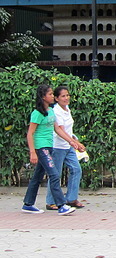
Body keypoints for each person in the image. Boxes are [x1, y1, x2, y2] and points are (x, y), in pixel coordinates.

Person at [22, 84, 79, 215]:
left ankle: (28, 204)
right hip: (41, 148)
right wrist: (32, 152)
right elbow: (30, 133)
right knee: (54, 175)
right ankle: (61, 205)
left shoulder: (51, 111)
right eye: (50, 94)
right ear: (43, 97)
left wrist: (71, 141)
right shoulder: (37, 113)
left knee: (37, 177)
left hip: (49, 146)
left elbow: (58, 129)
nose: (53, 96)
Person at [45, 86, 86, 210]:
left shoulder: (67, 109)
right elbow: (60, 130)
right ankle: (50, 201)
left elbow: (69, 129)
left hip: (68, 146)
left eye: (67, 95)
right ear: (56, 98)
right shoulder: (56, 111)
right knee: (55, 174)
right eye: (63, 96)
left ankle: (71, 199)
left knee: (76, 169)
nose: (66, 98)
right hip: (57, 147)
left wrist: (75, 140)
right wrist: (74, 143)